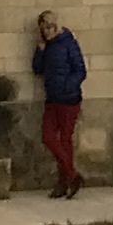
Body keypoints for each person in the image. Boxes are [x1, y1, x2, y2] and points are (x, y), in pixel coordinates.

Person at [29, 11, 87, 198]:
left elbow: (80, 70)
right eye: (43, 29)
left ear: (55, 26)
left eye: (48, 27)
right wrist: (40, 51)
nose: (46, 32)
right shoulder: (46, 45)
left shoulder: (68, 43)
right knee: (48, 137)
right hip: (52, 99)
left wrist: (66, 87)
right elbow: (37, 69)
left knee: (65, 140)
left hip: (69, 99)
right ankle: (72, 175)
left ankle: (64, 182)